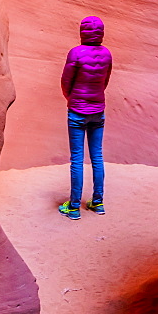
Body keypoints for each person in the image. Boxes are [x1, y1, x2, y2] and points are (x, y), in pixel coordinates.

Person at [58, 16, 112, 220]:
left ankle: (73, 207)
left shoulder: (76, 53)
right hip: (98, 111)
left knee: (77, 160)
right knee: (97, 157)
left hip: (77, 112)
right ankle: (97, 202)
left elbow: (65, 81)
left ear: (83, 31)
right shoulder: (107, 54)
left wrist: (71, 99)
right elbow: (105, 81)